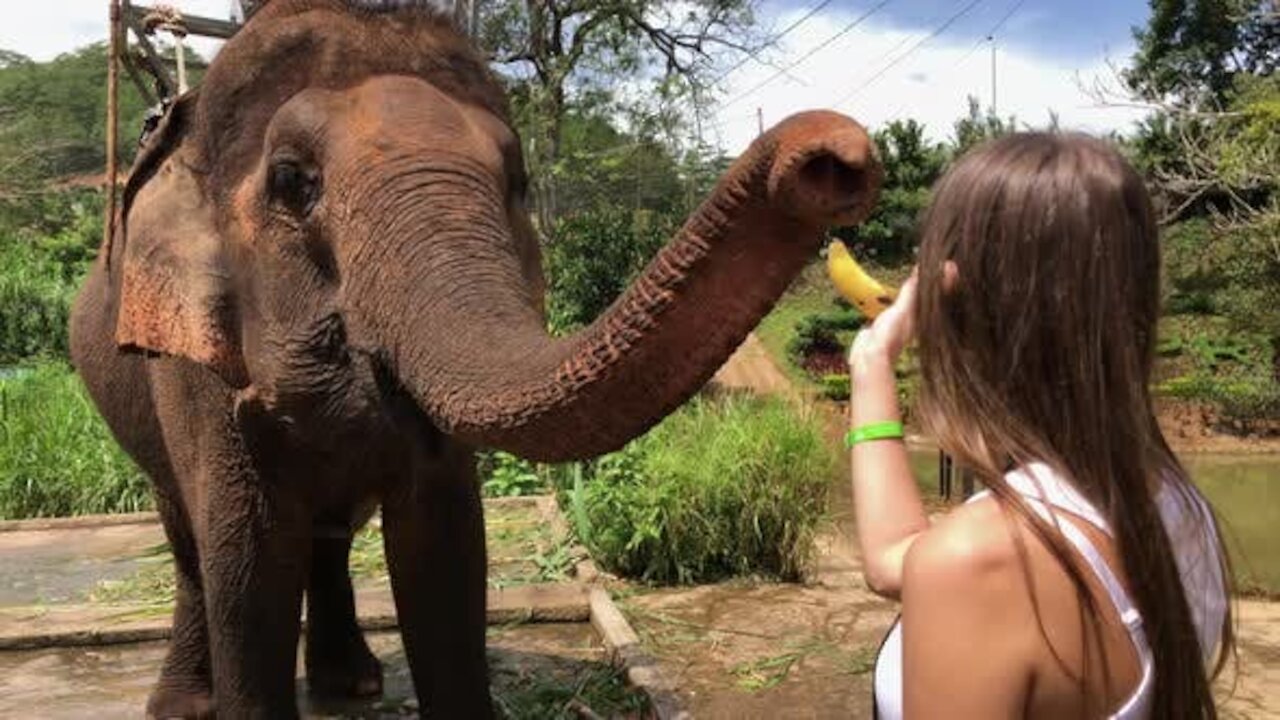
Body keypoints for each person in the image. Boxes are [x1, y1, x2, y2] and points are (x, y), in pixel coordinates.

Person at [845, 132, 1234, 719]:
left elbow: (944, 567)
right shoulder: (1184, 510)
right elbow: (893, 560)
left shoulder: (978, 562)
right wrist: (870, 365)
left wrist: (882, 355)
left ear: (951, 298)